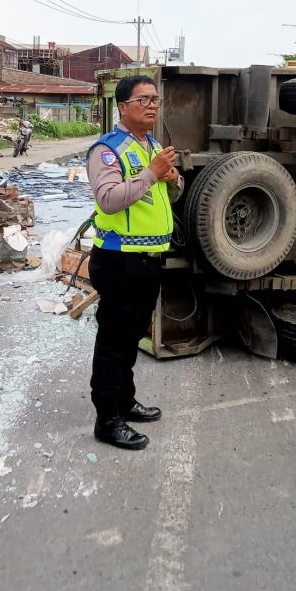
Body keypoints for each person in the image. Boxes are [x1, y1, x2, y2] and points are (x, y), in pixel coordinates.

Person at [86, 75, 183, 449]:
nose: (152, 105)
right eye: (143, 99)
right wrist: (152, 173)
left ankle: (124, 401)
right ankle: (107, 419)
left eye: (155, 99)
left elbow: (168, 192)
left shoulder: (153, 146)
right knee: (114, 340)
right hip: (119, 260)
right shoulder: (106, 150)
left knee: (131, 337)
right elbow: (109, 199)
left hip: (148, 259)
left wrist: (172, 178)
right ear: (122, 106)